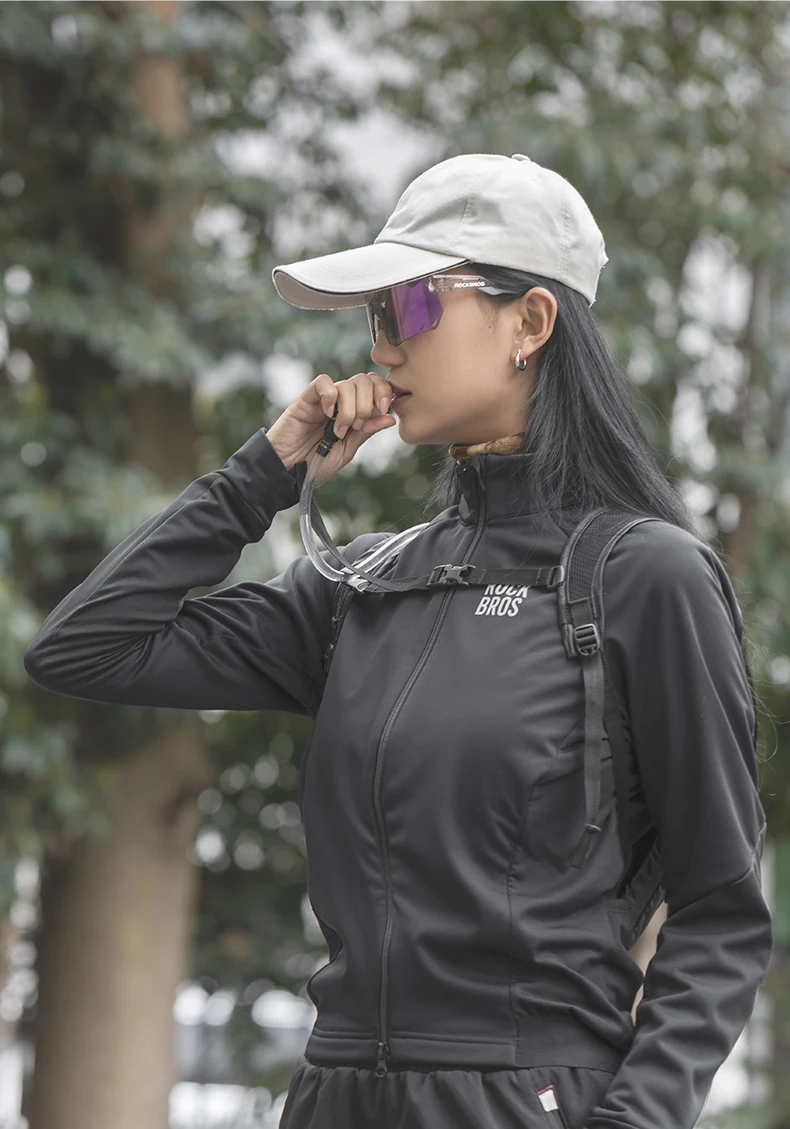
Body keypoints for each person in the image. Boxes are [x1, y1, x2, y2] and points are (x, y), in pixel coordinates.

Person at [24, 153, 773, 1129]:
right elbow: (84, 646)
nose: (380, 345)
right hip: (331, 1097)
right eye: (372, 314)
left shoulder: (645, 579)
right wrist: (263, 474)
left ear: (530, 322)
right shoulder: (363, 585)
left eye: (409, 305)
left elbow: (721, 913)